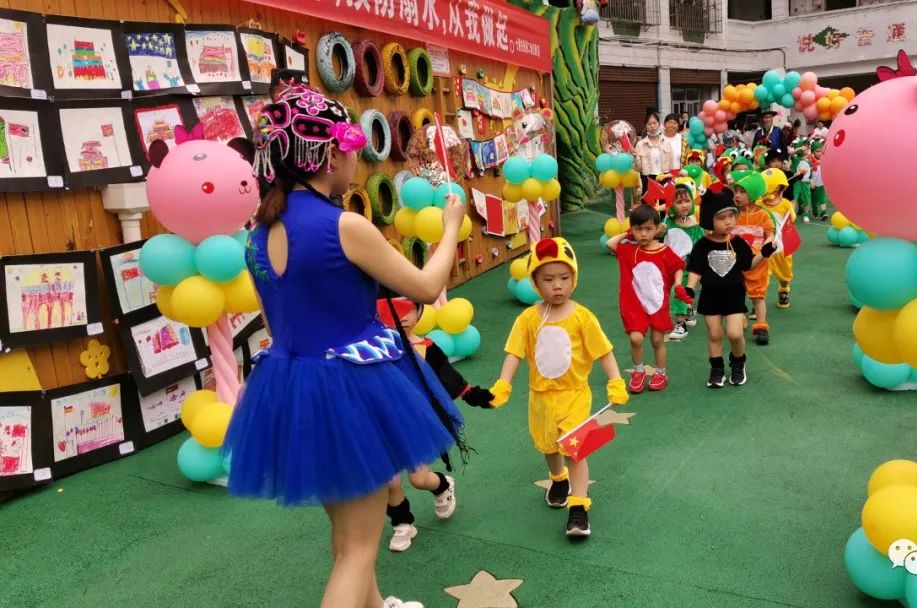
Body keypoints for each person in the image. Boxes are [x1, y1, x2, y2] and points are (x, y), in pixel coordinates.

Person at [226, 82, 466, 608]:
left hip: (292, 387)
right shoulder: (345, 226)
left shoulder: (257, 235)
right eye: (351, 146)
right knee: (358, 549)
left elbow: (274, 323)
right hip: (351, 388)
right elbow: (427, 288)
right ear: (330, 155)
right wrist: (451, 227)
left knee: (347, 536)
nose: (356, 158)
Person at [490, 237, 629, 538]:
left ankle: (578, 508)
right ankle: (557, 478)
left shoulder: (582, 317)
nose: (557, 286)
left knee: (575, 450)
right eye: (548, 279)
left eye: (564, 278)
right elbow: (514, 353)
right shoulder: (527, 319)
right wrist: (503, 384)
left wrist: (615, 380)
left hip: (574, 395)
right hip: (540, 399)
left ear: (573, 277)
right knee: (548, 447)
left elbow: (604, 352)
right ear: (535, 282)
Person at [374, 297, 495, 553]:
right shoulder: (374, 350)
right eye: (392, 310)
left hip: (417, 423)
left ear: (419, 311)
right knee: (390, 482)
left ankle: (442, 485)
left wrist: (471, 394)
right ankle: (403, 524)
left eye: (409, 309)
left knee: (419, 479)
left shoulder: (426, 348)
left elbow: (447, 376)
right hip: (383, 423)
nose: (402, 317)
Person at [685, 193, 775, 388]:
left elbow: (748, 264)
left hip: (734, 296)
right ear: (709, 220)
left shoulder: (739, 243)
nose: (728, 222)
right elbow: (695, 270)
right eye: (721, 218)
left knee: (735, 334)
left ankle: (738, 363)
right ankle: (717, 369)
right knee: (714, 335)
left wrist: (764, 253)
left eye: (731, 216)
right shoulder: (702, 245)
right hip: (710, 297)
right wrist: (690, 288)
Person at [606, 204, 690, 391]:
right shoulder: (629, 250)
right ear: (632, 229)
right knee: (635, 339)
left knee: (657, 340)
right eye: (638, 229)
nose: (643, 234)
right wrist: (627, 234)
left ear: (657, 229)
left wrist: (678, 285)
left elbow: (678, 266)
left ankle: (660, 372)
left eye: (648, 229)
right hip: (634, 305)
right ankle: (638, 371)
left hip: (657, 303)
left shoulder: (664, 250)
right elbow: (610, 243)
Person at [730, 172, 775, 345]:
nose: (737, 195)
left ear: (754, 194)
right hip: (735, 261)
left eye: (742, 192)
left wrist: (768, 245)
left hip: (757, 262)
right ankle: (740, 318)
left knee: (758, 295)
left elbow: (770, 234)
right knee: (736, 291)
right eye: (736, 191)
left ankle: (761, 326)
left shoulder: (763, 215)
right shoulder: (733, 214)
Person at [663, 179, 706, 341]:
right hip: (669, 266)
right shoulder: (667, 222)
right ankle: (688, 309)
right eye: (679, 202)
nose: (684, 205)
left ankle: (680, 324)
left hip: (688, 267)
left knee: (680, 291)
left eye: (687, 201)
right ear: (672, 204)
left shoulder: (696, 226)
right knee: (675, 292)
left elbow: (700, 248)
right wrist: (659, 231)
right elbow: (658, 238)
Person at [759, 169, 796, 309]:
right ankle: (758, 301)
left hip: (781, 247)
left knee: (785, 275)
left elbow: (792, 217)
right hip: (764, 246)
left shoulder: (785, 203)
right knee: (762, 276)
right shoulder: (758, 203)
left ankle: (784, 290)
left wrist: (790, 216)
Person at [634, 112, 672, 194]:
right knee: (648, 202)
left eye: (654, 123)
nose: (652, 126)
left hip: (664, 177)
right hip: (648, 179)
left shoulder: (666, 142)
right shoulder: (640, 144)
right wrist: (636, 157)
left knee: (664, 201)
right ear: (646, 126)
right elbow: (637, 168)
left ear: (659, 124)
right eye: (649, 124)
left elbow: (671, 164)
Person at [789, 139, 813, 220]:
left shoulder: (809, 161)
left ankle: (806, 214)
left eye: (807, 147)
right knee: (794, 198)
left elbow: (810, 172)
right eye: (804, 146)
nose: (806, 148)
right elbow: (791, 154)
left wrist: (811, 180)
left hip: (805, 182)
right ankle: (792, 216)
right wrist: (799, 148)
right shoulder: (795, 159)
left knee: (807, 199)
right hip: (796, 182)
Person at [809, 140, 829, 220]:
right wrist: (810, 180)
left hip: (822, 183)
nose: (819, 153)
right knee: (814, 199)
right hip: (813, 183)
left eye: (820, 151)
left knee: (822, 197)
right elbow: (808, 172)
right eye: (817, 151)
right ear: (813, 152)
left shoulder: (824, 159)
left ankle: (823, 212)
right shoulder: (810, 161)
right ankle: (815, 212)